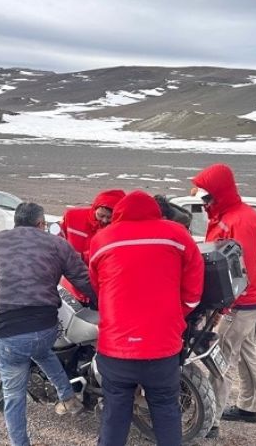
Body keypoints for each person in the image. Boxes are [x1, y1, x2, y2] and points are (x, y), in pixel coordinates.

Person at [0, 202, 95, 446]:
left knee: (14, 397)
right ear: (41, 224)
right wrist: (100, 301)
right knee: (40, 350)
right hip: (46, 329)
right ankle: (67, 396)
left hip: (10, 334)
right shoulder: (57, 243)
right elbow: (83, 279)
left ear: (16, 221)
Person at [88, 190, 205, 446]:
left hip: (116, 347)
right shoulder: (177, 235)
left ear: (119, 212)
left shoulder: (102, 239)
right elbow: (193, 292)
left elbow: (98, 287)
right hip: (162, 347)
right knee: (165, 411)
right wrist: (174, 315)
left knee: (114, 415)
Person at [191, 163, 256, 439]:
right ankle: (250, 407)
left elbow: (242, 269)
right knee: (245, 350)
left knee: (221, 356)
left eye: (208, 196)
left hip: (241, 301)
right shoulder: (225, 215)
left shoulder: (241, 220)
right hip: (247, 298)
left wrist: (223, 305)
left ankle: (211, 420)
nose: (204, 201)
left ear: (220, 193)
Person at [60, 188, 126, 263]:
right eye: (101, 215)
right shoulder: (72, 217)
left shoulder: (121, 229)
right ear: (94, 209)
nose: (104, 220)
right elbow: (59, 240)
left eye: (109, 217)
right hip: (71, 269)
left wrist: (82, 257)